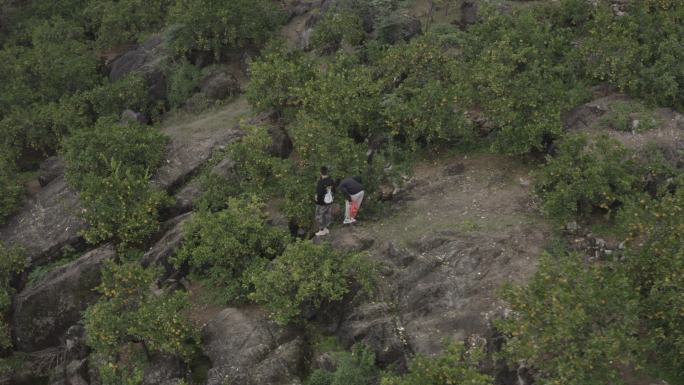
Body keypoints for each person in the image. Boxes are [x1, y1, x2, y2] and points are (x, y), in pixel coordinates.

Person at [314, 166, 335, 236]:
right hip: (330, 201)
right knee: (327, 215)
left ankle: (321, 230)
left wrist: (316, 199)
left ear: (320, 173)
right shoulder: (331, 181)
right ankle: (326, 228)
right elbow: (334, 190)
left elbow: (319, 193)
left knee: (319, 216)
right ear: (327, 172)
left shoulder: (320, 182)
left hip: (321, 203)